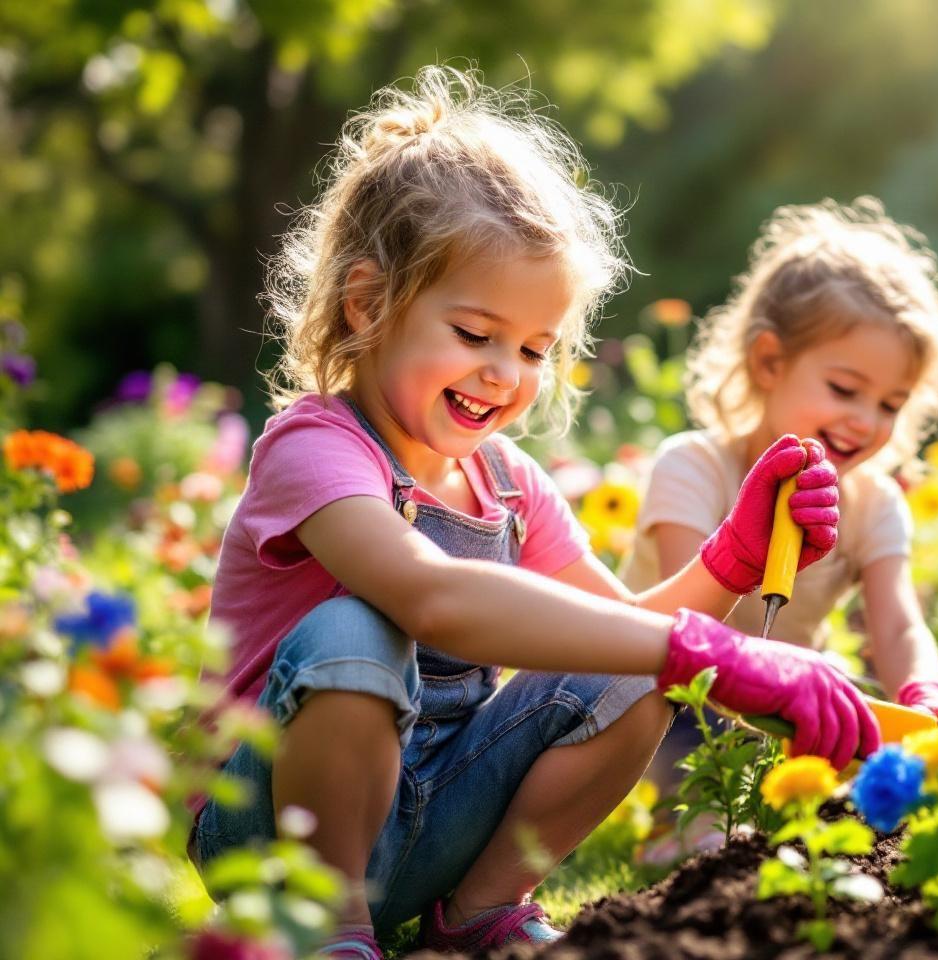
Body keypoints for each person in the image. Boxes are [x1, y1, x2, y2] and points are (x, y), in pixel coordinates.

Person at [189, 66, 878, 960]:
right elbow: (428, 596)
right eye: (474, 335)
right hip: (274, 835)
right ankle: (329, 931)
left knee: (633, 664)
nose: (504, 374)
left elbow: (628, 635)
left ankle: (474, 915)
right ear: (367, 304)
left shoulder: (507, 482)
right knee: (352, 630)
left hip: (437, 817)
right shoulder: (316, 449)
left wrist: (732, 564)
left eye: (533, 349)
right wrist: (707, 647)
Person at [627, 198, 938, 727]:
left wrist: (928, 696)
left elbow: (898, 627)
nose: (865, 420)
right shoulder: (693, 467)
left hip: (785, 709)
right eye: (844, 389)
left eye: (891, 404)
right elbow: (685, 623)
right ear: (769, 361)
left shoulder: (872, 502)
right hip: (660, 707)